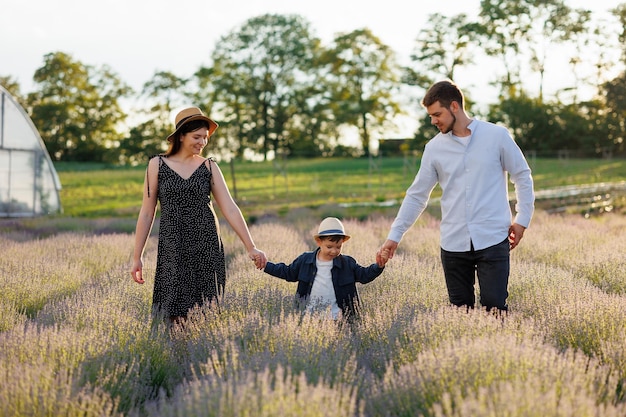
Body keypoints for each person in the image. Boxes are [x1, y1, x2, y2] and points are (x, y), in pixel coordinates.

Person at [377, 80, 535, 313]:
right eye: (430, 116)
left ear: (454, 106)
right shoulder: (433, 149)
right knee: (460, 314)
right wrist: (394, 236)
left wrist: (522, 220)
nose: (433, 121)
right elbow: (417, 195)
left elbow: (522, 175)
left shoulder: (497, 136)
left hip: (492, 239)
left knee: (495, 309)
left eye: (437, 114)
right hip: (453, 244)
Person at [131, 107, 267, 323]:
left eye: (205, 137)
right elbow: (147, 213)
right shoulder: (156, 164)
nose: (202, 142)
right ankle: (176, 355)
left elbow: (230, 207)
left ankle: (201, 354)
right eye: (197, 136)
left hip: (205, 243)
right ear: (181, 135)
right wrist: (136, 256)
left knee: (205, 310)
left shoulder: (209, 166)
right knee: (173, 310)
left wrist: (251, 246)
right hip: (173, 244)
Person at [263, 217, 388, 321]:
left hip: (339, 321)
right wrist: (265, 265)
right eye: (329, 246)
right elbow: (287, 272)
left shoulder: (347, 263)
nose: (334, 251)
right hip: (309, 320)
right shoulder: (305, 261)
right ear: (319, 242)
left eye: (338, 247)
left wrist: (378, 266)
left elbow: (364, 275)